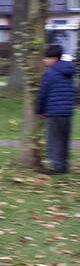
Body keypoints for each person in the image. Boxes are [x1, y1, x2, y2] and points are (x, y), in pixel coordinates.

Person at [38, 44, 75, 175]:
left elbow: (43, 94)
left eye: (46, 58)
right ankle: (64, 166)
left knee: (54, 140)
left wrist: (40, 110)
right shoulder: (69, 72)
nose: (44, 60)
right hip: (67, 112)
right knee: (64, 139)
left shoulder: (50, 73)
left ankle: (57, 167)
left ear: (54, 59)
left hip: (54, 111)